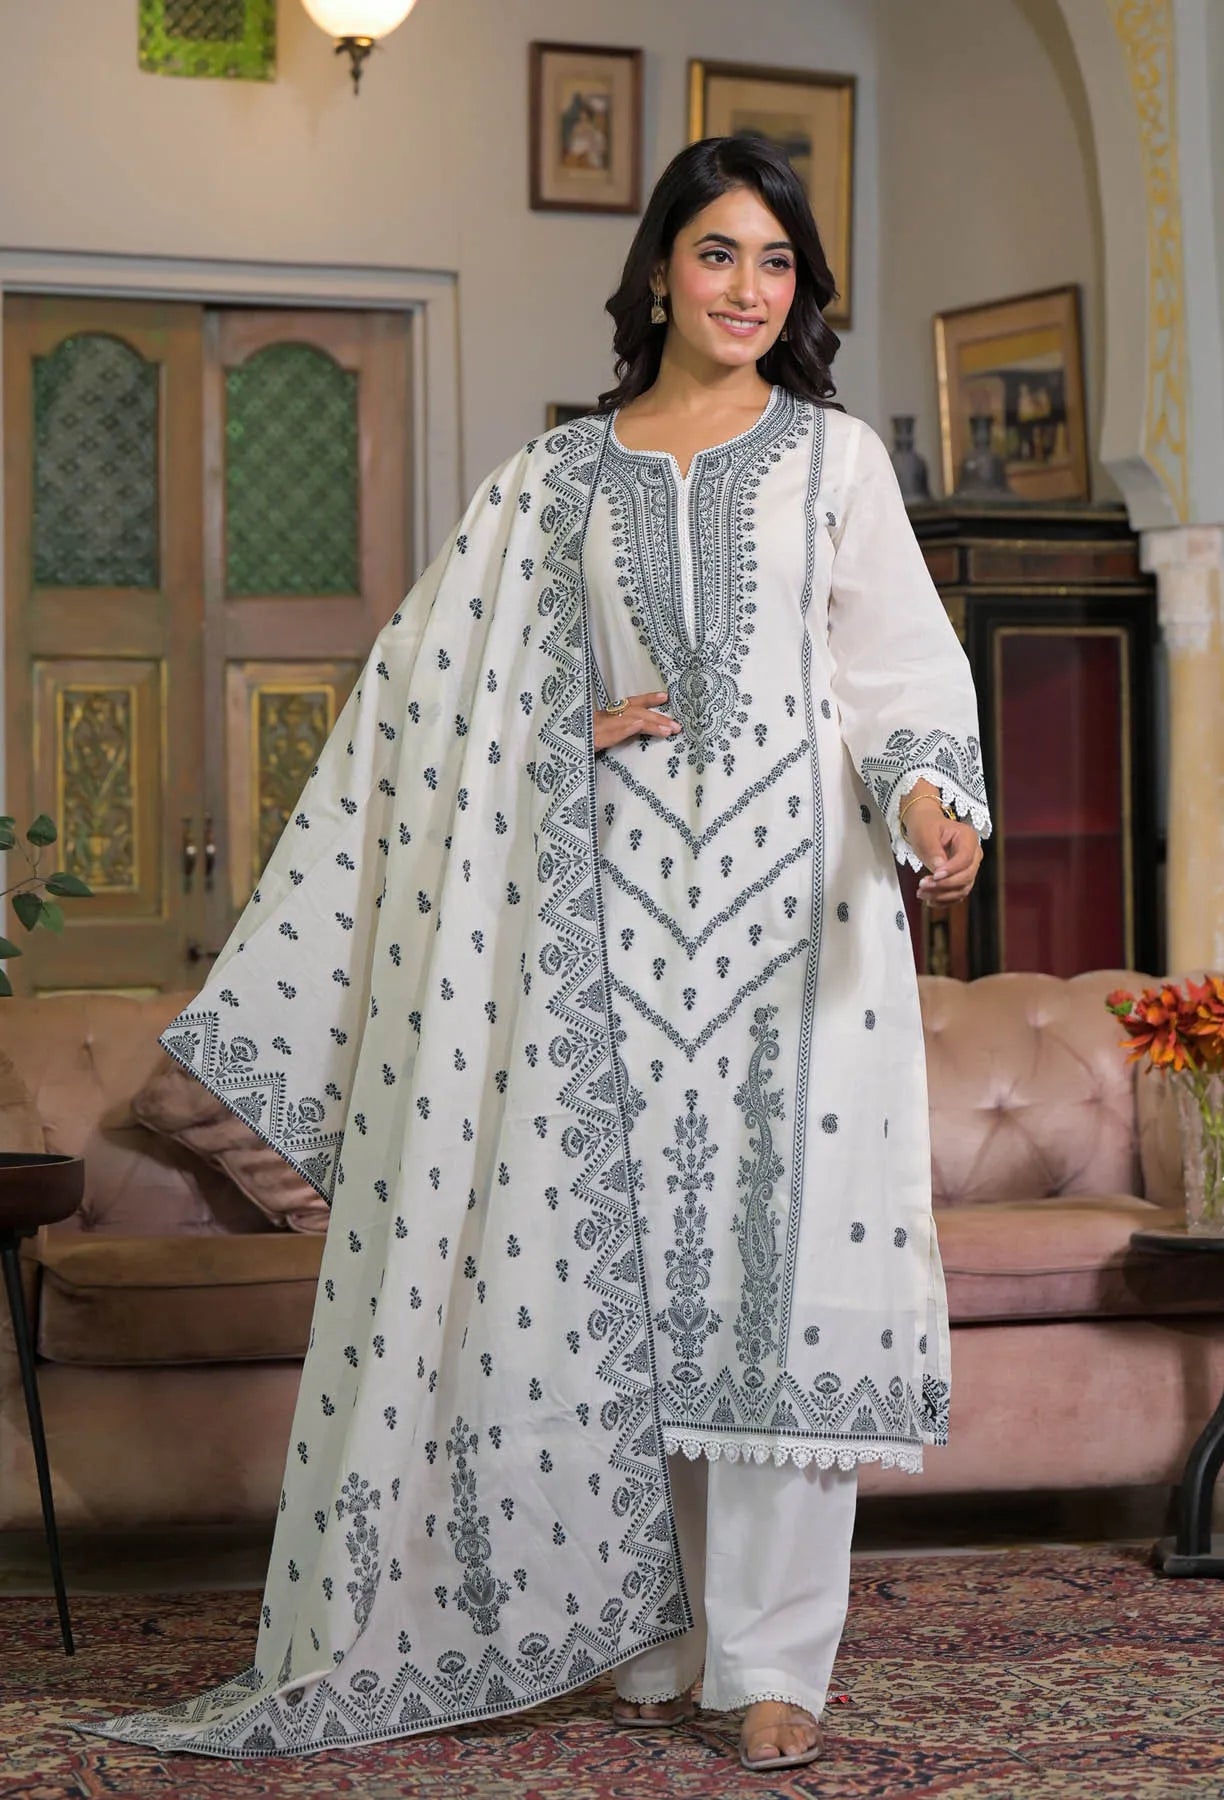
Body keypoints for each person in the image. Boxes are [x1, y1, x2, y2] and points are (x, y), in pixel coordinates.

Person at [78, 134, 989, 1774]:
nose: (748, 290)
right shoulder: (550, 483)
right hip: (602, 923)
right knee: (610, 1283)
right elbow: (417, 701)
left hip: (802, 925)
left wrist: (933, 797)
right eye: (719, 255)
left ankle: (772, 1663)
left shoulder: (836, 461)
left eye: (777, 263)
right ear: (657, 273)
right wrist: (554, 730)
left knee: (775, 1287)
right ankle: (639, 1634)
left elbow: (899, 672)